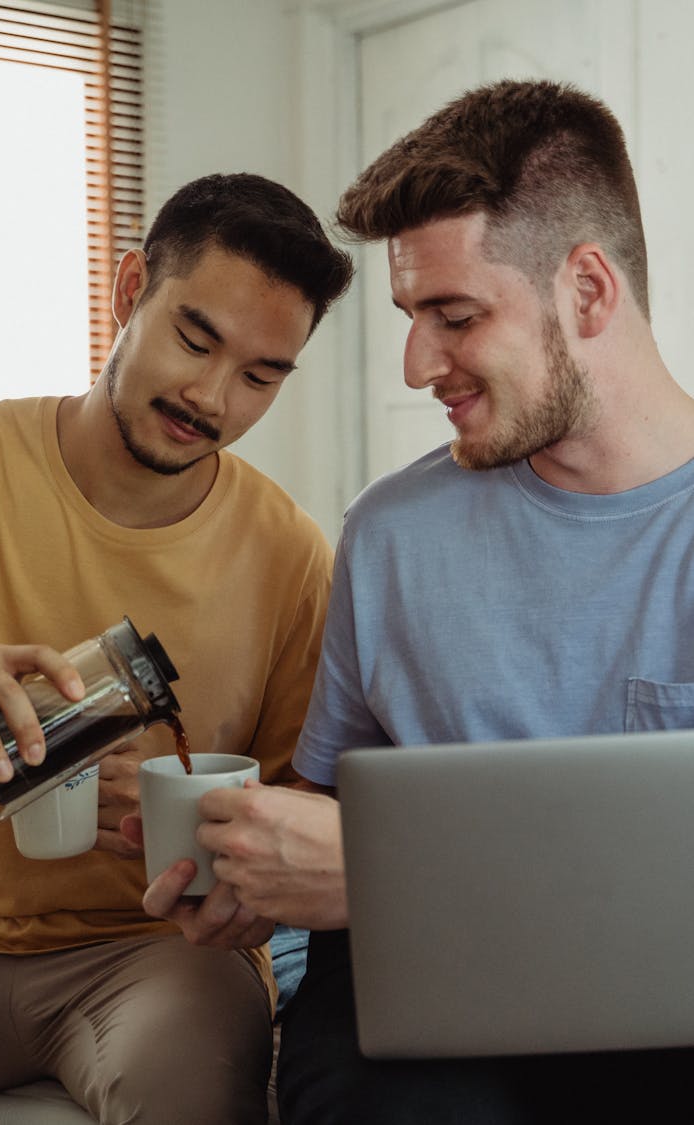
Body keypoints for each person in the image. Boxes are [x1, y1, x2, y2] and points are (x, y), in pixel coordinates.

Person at [136, 81, 694, 1123]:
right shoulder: (392, 535)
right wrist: (260, 876)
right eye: (409, 316)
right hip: (420, 988)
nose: (414, 364)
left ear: (586, 292)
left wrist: (398, 877)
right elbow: (335, 810)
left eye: (454, 315)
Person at [0, 171, 353, 1125]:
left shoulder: (288, 554)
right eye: (195, 339)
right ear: (130, 291)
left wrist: (234, 854)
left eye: (261, 376)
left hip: (152, 957)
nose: (212, 397)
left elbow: (307, 806)